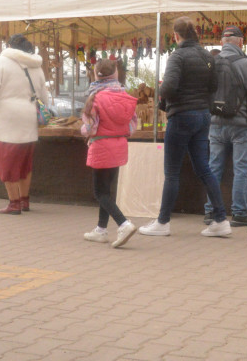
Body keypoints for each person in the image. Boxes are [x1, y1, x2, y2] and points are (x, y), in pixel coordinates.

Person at [139, 16, 231, 237]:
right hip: (202, 117)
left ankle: (162, 223)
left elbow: (168, 88)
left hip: (181, 117)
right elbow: (213, 86)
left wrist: (163, 101)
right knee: (204, 168)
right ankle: (221, 220)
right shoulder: (208, 56)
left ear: (176, 36)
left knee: (172, 172)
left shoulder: (177, 56)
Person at [203, 25, 247, 227]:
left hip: (215, 123)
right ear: (241, 42)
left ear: (222, 43)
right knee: (241, 169)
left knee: (213, 168)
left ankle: (210, 211)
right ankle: (239, 213)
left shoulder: (210, 64)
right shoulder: (246, 65)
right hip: (241, 124)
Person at [0, 33, 49, 215]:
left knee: (7, 163)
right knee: (25, 164)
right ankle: (24, 201)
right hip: (29, 119)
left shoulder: (1, 63)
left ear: (9, 45)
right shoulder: (36, 66)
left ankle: (14, 203)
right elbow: (44, 96)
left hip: (7, 120)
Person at [81, 58, 139, 248]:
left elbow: (90, 128)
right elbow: (132, 126)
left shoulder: (94, 97)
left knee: (100, 192)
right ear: (115, 73)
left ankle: (124, 223)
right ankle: (101, 229)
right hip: (119, 145)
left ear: (96, 74)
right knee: (108, 190)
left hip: (101, 146)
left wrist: (83, 131)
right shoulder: (125, 95)